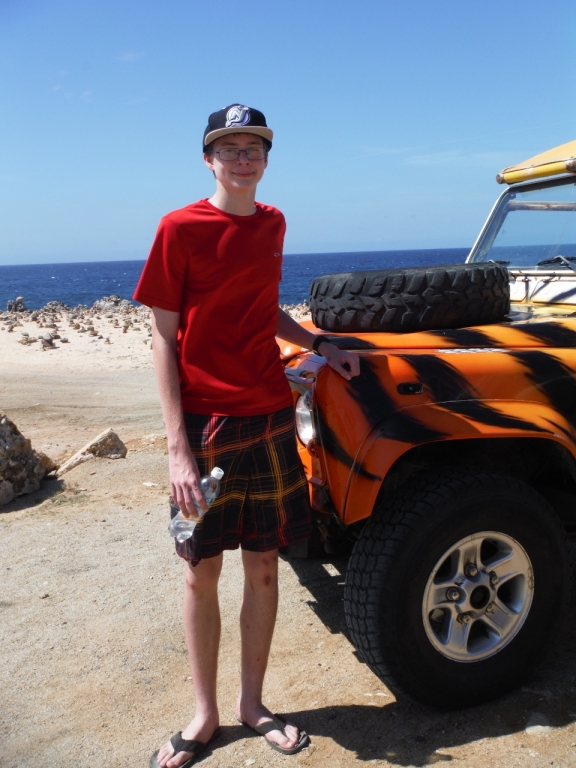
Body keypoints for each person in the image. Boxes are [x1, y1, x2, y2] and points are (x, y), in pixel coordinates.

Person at [134, 104, 360, 768]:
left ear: (265, 159)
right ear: (209, 160)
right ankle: (203, 717)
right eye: (227, 148)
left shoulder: (273, 224)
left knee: (264, 569)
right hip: (206, 429)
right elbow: (161, 338)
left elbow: (264, 312)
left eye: (252, 147)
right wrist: (177, 446)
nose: (241, 158)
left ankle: (252, 706)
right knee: (200, 575)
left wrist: (319, 342)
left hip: (268, 419)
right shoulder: (178, 227)